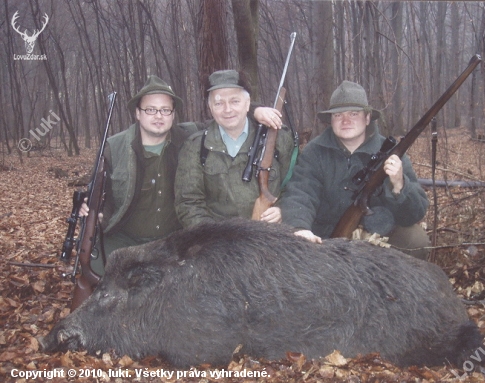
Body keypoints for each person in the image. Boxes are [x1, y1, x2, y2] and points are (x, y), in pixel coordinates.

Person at [80, 75, 282, 275]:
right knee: (99, 280)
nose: (158, 116)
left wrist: (256, 110)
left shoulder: (189, 137)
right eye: (150, 110)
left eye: (165, 110)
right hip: (122, 238)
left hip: (173, 240)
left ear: (173, 114)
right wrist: (90, 209)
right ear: (137, 113)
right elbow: (98, 194)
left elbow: (226, 115)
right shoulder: (113, 147)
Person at [277, 80, 430, 259]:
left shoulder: (391, 152)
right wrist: (300, 228)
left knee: (416, 241)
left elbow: (415, 213)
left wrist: (399, 186)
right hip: (327, 236)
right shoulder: (314, 151)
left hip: (379, 234)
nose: (346, 120)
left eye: (353, 113)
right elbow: (300, 194)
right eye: (338, 115)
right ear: (330, 121)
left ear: (367, 118)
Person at [175, 70, 295, 228]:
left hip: (272, 236)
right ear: (210, 107)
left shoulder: (278, 138)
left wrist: (283, 210)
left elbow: (297, 187)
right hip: (218, 243)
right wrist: (217, 238)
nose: (227, 109)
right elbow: (188, 204)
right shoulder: (195, 147)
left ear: (248, 104)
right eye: (218, 103)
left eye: (235, 101)